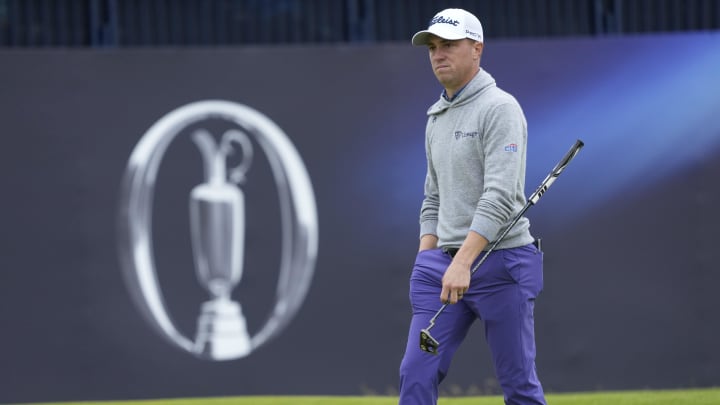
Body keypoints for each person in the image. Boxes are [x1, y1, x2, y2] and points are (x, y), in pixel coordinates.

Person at [398, 8, 547, 405]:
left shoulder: (500, 108)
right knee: (415, 374)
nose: (437, 54)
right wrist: (425, 257)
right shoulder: (436, 116)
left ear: (476, 49)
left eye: (448, 45)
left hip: (503, 264)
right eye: (432, 47)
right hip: (442, 267)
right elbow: (433, 196)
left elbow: (500, 196)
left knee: (518, 384)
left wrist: (463, 261)